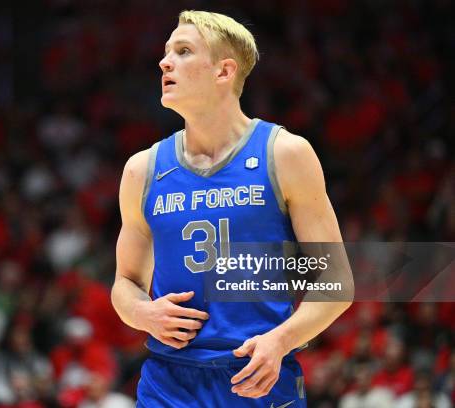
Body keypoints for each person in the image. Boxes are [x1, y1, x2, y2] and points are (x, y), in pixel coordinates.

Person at [111, 10, 352, 407]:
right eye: (166, 52)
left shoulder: (285, 153)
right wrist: (143, 314)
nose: (164, 61)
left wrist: (281, 340)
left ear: (224, 72)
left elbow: (337, 283)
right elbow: (125, 281)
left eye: (183, 51)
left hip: (258, 376)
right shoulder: (142, 169)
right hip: (169, 382)